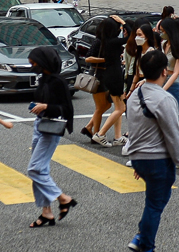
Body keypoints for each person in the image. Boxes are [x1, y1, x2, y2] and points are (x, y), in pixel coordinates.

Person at [124, 50, 179, 252]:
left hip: (139, 158)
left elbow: (135, 127)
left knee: (154, 202)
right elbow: (173, 135)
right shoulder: (164, 99)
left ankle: (141, 238)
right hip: (157, 160)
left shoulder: (136, 93)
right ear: (165, 71)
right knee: (155, 204)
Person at [25, 47, 78, 227]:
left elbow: (67, 110)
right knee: (41, 170)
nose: (31, 65)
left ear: (44, 62)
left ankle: (63, 198)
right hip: (39, 125)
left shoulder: (58, 82)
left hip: (51, 128)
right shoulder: (43, 79)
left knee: (34, 169)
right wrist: (38, 106)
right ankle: (46, 212)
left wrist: (46, 106)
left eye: (34, 62)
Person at [82, 15, 128, 146]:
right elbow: (88, 58)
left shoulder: (109, 40)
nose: (119, 30)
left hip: (107, 73)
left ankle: (91, 129)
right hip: (99, 74)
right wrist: (107, 59)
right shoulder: (99, 41)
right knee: (101, 107)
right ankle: (96, 133)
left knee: (108, 105)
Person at [158, 17, 179, 161]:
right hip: (164, 80)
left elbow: (177, 71)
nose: (161, 33)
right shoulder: (163, 43)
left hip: (177, 84)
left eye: (163, 31)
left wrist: (163, 88)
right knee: (167, 121)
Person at [125, 18, 158, 91]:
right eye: (136, 35)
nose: (137, 37)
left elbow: (155, 72)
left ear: (147, 37)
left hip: (147, 82)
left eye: (140, 35)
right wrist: (130, 89)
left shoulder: (151, 52)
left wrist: (145, 80)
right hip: (137, 80)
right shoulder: (138, 51)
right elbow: (136, 72)